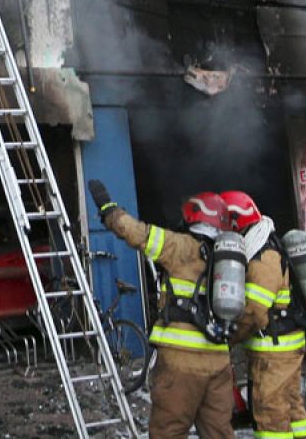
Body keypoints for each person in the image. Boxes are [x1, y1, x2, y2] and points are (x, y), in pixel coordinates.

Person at [89, 180, 235, 439]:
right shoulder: (228, 260)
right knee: (218, 433)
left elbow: (137, 233)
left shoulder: (181, 246)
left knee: (168, 431)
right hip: (219, 363)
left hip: (181, 364)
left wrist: (108, 208)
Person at [221, 190, 306, 439]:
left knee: (269, 412)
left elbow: (253, 310)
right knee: (292, 408)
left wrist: (228, 337)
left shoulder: (264, 257)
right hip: (279, 348)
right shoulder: (259, 246)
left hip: (276, 351)